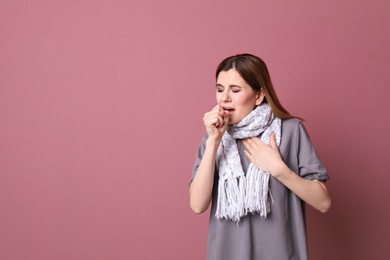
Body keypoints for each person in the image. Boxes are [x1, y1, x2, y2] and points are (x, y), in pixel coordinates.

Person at [189, 53, 331, 260]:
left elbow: (323, 202)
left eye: (235, 90)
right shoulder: (215, 137)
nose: (224, 97)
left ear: (258, 96)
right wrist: (213, 142)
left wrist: (279, 169)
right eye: (220, 89)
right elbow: (197, 205)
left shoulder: (291, 131)